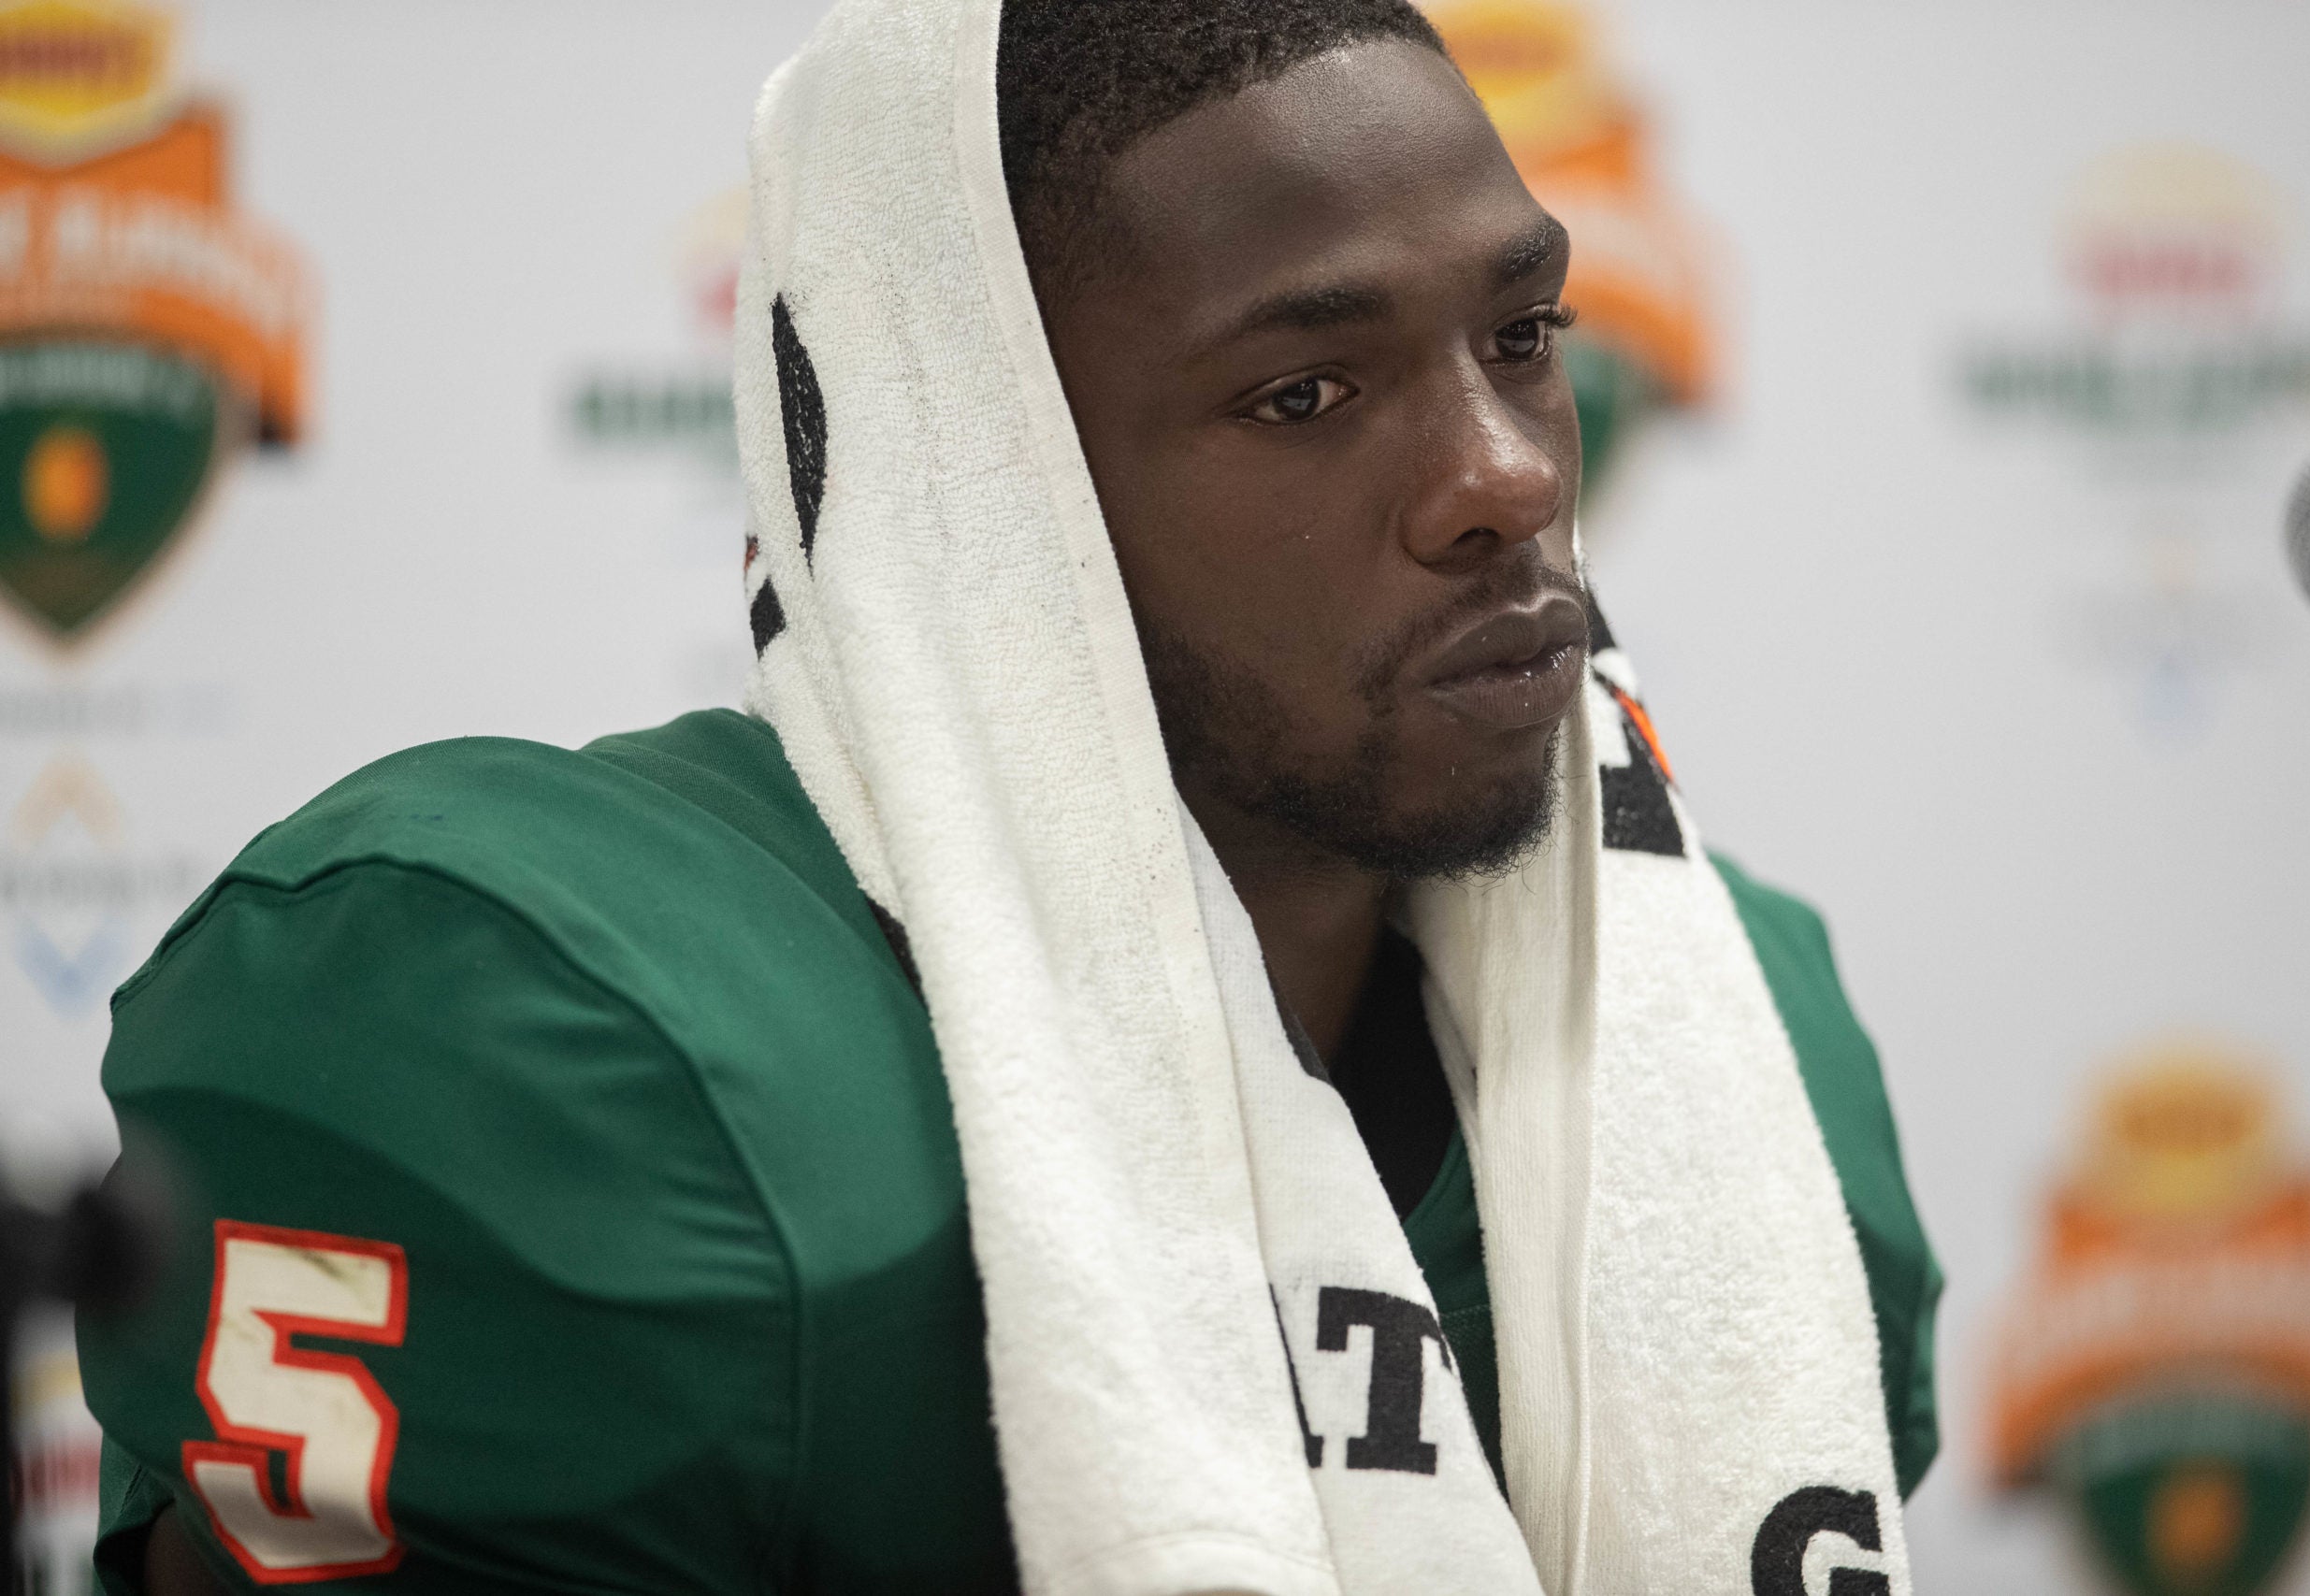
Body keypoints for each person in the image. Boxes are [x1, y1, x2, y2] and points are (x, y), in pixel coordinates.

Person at [79, 2, 1940, 1592]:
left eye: (1519, 338)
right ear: (975, 485)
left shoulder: (1731, 1040)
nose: (1501, 475)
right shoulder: (561, 1040)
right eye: (1305, 390)